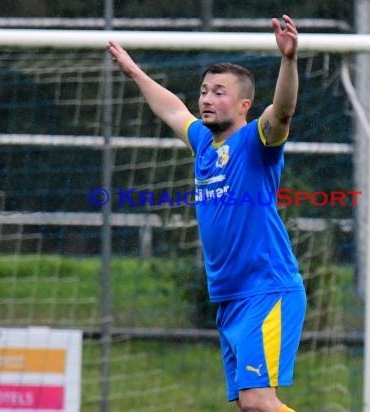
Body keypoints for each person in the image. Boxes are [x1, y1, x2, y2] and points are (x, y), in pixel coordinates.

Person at [108, 14, 306, 412]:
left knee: (257, 401)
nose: (207, 99)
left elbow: (282, 112)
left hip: (266, 289)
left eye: (219, 92)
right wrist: (134, 72)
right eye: (204, 91)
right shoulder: (203, 145)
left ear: (244, 104)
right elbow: (172, 110)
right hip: (231, 298)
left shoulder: (257, 142)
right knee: (246, 406)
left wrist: (288, 61)